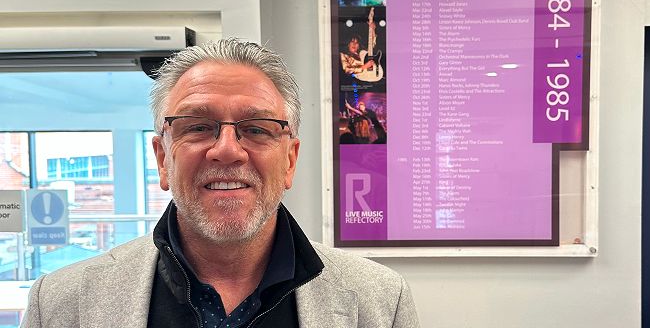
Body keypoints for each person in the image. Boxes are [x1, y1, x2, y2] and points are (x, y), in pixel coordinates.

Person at [21, 38, 419, 328]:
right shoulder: (60, 305)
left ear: (290, 162)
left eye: (258, 129)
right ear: (163, 158)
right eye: (197, 127)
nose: (227, 151)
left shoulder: (380, 303)